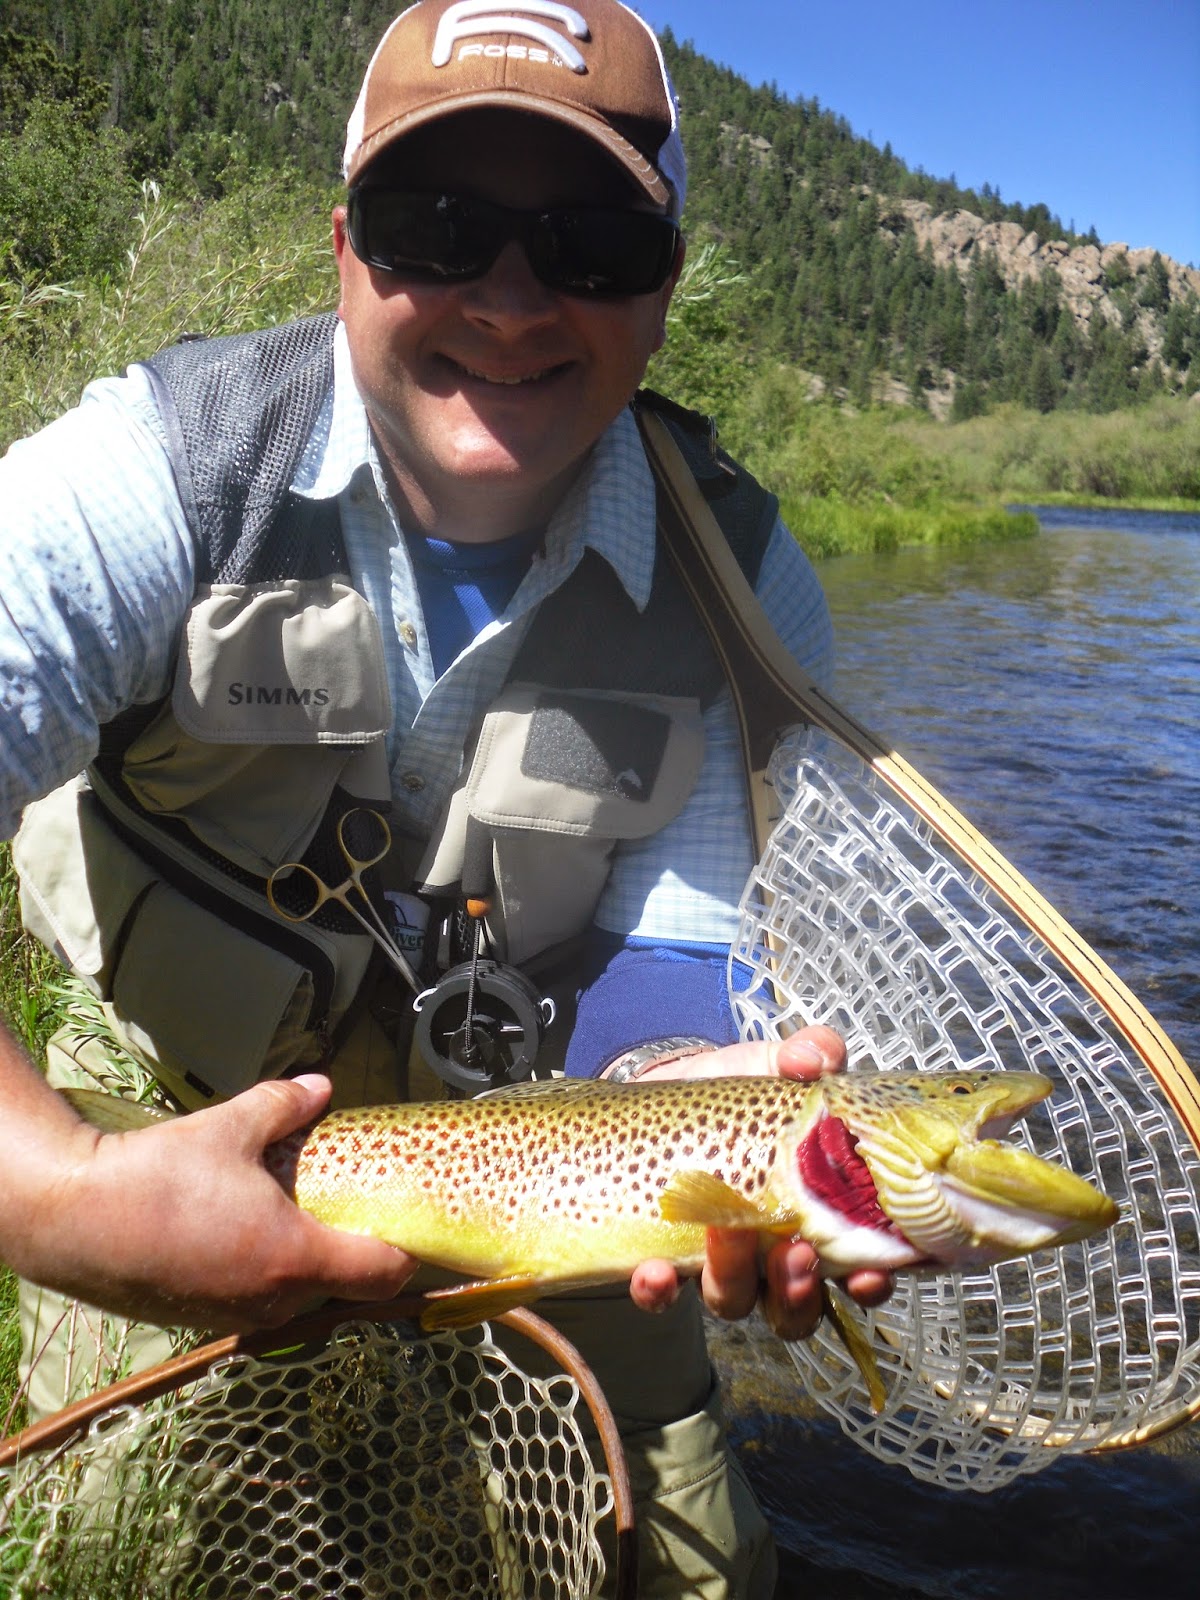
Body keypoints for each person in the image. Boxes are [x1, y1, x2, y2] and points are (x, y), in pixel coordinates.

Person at [0, 2, 889, 1593]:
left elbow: (681, 967)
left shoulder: (747, 595)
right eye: (438, 224)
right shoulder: (163, 472)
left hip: (551, 1167)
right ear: (344, 246)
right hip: (158, 1106)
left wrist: (695, 1126)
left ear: (664, 289)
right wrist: (53, 1193)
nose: (509, 295)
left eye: (593, 242)